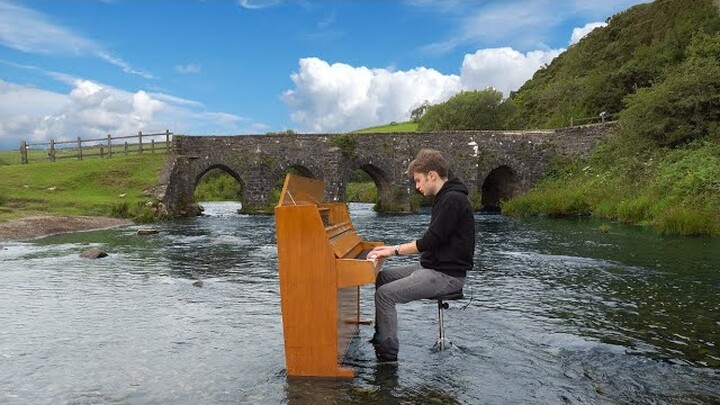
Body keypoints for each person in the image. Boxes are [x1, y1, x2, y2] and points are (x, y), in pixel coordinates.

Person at [368, 148, 475, 363]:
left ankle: (387, 357)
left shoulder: (452, 200)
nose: (417, 187)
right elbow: (432, 243)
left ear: (432, 175)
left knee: (385, 295)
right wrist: (391, 250)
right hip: (434, 268)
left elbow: (428, 242)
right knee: (382, 278)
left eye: (418, 181)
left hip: (447, 276)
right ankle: (382, 335)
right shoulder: (446, 197)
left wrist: (393, 250)